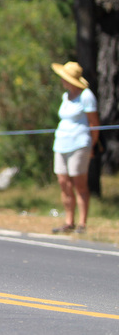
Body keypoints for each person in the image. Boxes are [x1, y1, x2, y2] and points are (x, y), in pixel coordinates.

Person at [50, 60, 100, 234]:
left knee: (80, 184)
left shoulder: (86, 96)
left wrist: (91, 145)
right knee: (63, 182)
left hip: (79, 144)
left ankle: (82, 223)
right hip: (61, 143)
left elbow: (94, 123)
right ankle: (68, 221)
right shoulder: (66, 96)